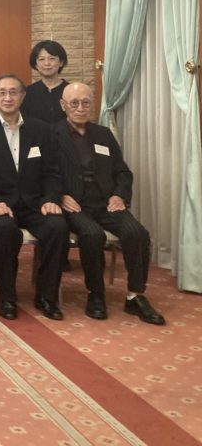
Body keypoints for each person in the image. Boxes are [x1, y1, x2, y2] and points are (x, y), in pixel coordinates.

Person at [54, 82, 164, 324]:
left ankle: (135, 295)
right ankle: (96, 294)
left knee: (138, 233)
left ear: (92, 105)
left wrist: (119, 195)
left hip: (106, 202)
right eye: (74, 103)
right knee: (92, 235)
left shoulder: (103, 134)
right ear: (63, 105)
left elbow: (122, 172)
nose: (80, 108)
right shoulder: (52, 135)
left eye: (86, 103)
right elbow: (43, 173)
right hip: (74, 204)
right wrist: (59, 196)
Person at [0, 74, 68, 321]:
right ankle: (7, 297)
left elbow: (53, 172)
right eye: (2, 92)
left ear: (23, 96)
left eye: (13, 92)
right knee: (4, 230)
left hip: (36, 204)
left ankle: (46, 297)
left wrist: (51, 199)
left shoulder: (41, 130)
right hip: (0, 204)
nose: (8, 98)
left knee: (58, 228)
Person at [22, 40, 70, 123]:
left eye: (52, 58)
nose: (47, 63)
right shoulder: (27, 93)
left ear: (61, 62)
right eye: (41, 59)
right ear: (36, 64)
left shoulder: (71, 91)